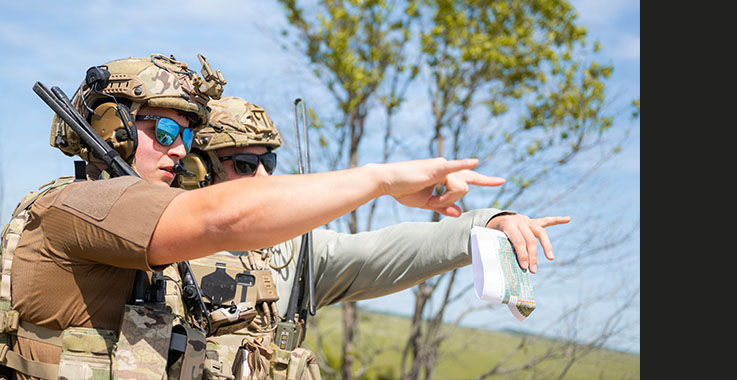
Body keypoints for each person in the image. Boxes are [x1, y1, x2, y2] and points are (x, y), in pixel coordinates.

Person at [0, 53, 559, 380]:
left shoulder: (226, 253)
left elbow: (378, 254)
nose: (177, 149)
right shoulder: (72, 209)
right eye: (165, 130)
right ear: (111, 129)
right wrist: (380, 179)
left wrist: (482, 221)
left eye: (186, 134)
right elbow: (219, 219)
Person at [172, 96, 571, 379]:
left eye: (268, 162)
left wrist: (485, 223)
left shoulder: (292, 251)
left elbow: (386, 252)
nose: (263, 178)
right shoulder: (155, 239)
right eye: (245, 163)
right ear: (197, 169)